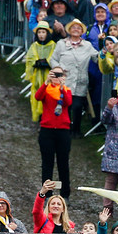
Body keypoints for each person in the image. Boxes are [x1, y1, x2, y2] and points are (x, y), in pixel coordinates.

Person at [34, 66, 74, 199]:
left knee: (63, 163)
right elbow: (37, 96)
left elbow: (68, 102)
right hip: (47, 130)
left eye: (59, 74)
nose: (56, 77)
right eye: (54, 74)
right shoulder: (46, 89)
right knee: (47, 163)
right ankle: (47, 193)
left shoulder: (66, 90)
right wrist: (46, 82)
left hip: (63, 131)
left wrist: (62, 86)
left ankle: (65, 194)